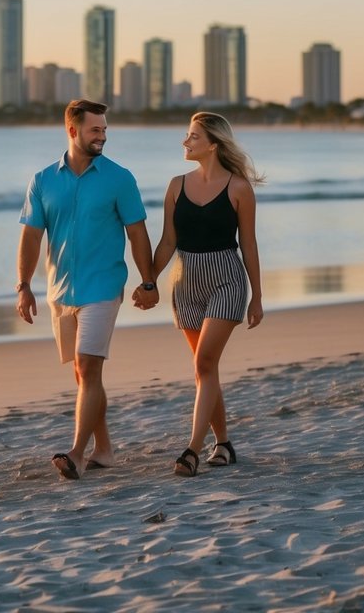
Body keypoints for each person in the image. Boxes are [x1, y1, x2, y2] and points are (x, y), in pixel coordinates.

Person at [16, 99, 159, 481]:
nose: (103, 137)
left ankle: (77, 454)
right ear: (73, 130)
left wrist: (148, 281)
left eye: (105, 130)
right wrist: (23, 286)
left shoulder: (119, 178)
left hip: (103, 286)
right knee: (84, 376)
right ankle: (105, 450)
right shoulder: (43, 180)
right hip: (60, 291)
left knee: (88, 366)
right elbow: (31, 237)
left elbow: (137, 233)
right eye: (96, 130)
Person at [145, 112, 264, 477]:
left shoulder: (239, 188)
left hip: (226, 278)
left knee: (203, 365)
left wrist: (256, 296)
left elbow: (248, 244)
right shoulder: (176, 186)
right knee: (205, 369)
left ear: (212, 143)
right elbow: (168, 242)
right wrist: (148, 281)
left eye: (193, 136)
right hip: (185, 282)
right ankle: (224, 443)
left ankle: (192, 450)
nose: (185, 142)